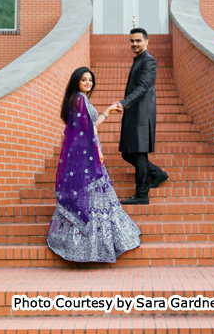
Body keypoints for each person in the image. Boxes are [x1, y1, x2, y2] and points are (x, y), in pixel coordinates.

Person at [47, 66, 141, 263]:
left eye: (90, 79)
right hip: (87, 152)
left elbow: (92, 124)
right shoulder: (80, 98)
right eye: (84, 80)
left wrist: (107, 110)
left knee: (88, 193)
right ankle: (94, 245)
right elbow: (88, 129)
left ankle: (80, 245)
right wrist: (97, 150)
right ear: (76, 82)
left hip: (84, 150)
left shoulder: (78, 99)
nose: (88, 83)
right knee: (94, 192)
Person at [115, 28, 169, 205]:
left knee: (138, 154)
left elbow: (144, 87)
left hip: (141, 115)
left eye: (138, 40)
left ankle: (142, 193)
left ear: (147, 41)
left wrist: (124, 102)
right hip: (133, 113)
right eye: (132, 41)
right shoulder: (138, 60)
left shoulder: (148, 61)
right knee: (127, 153)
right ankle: (158, 174)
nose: (135, 44)